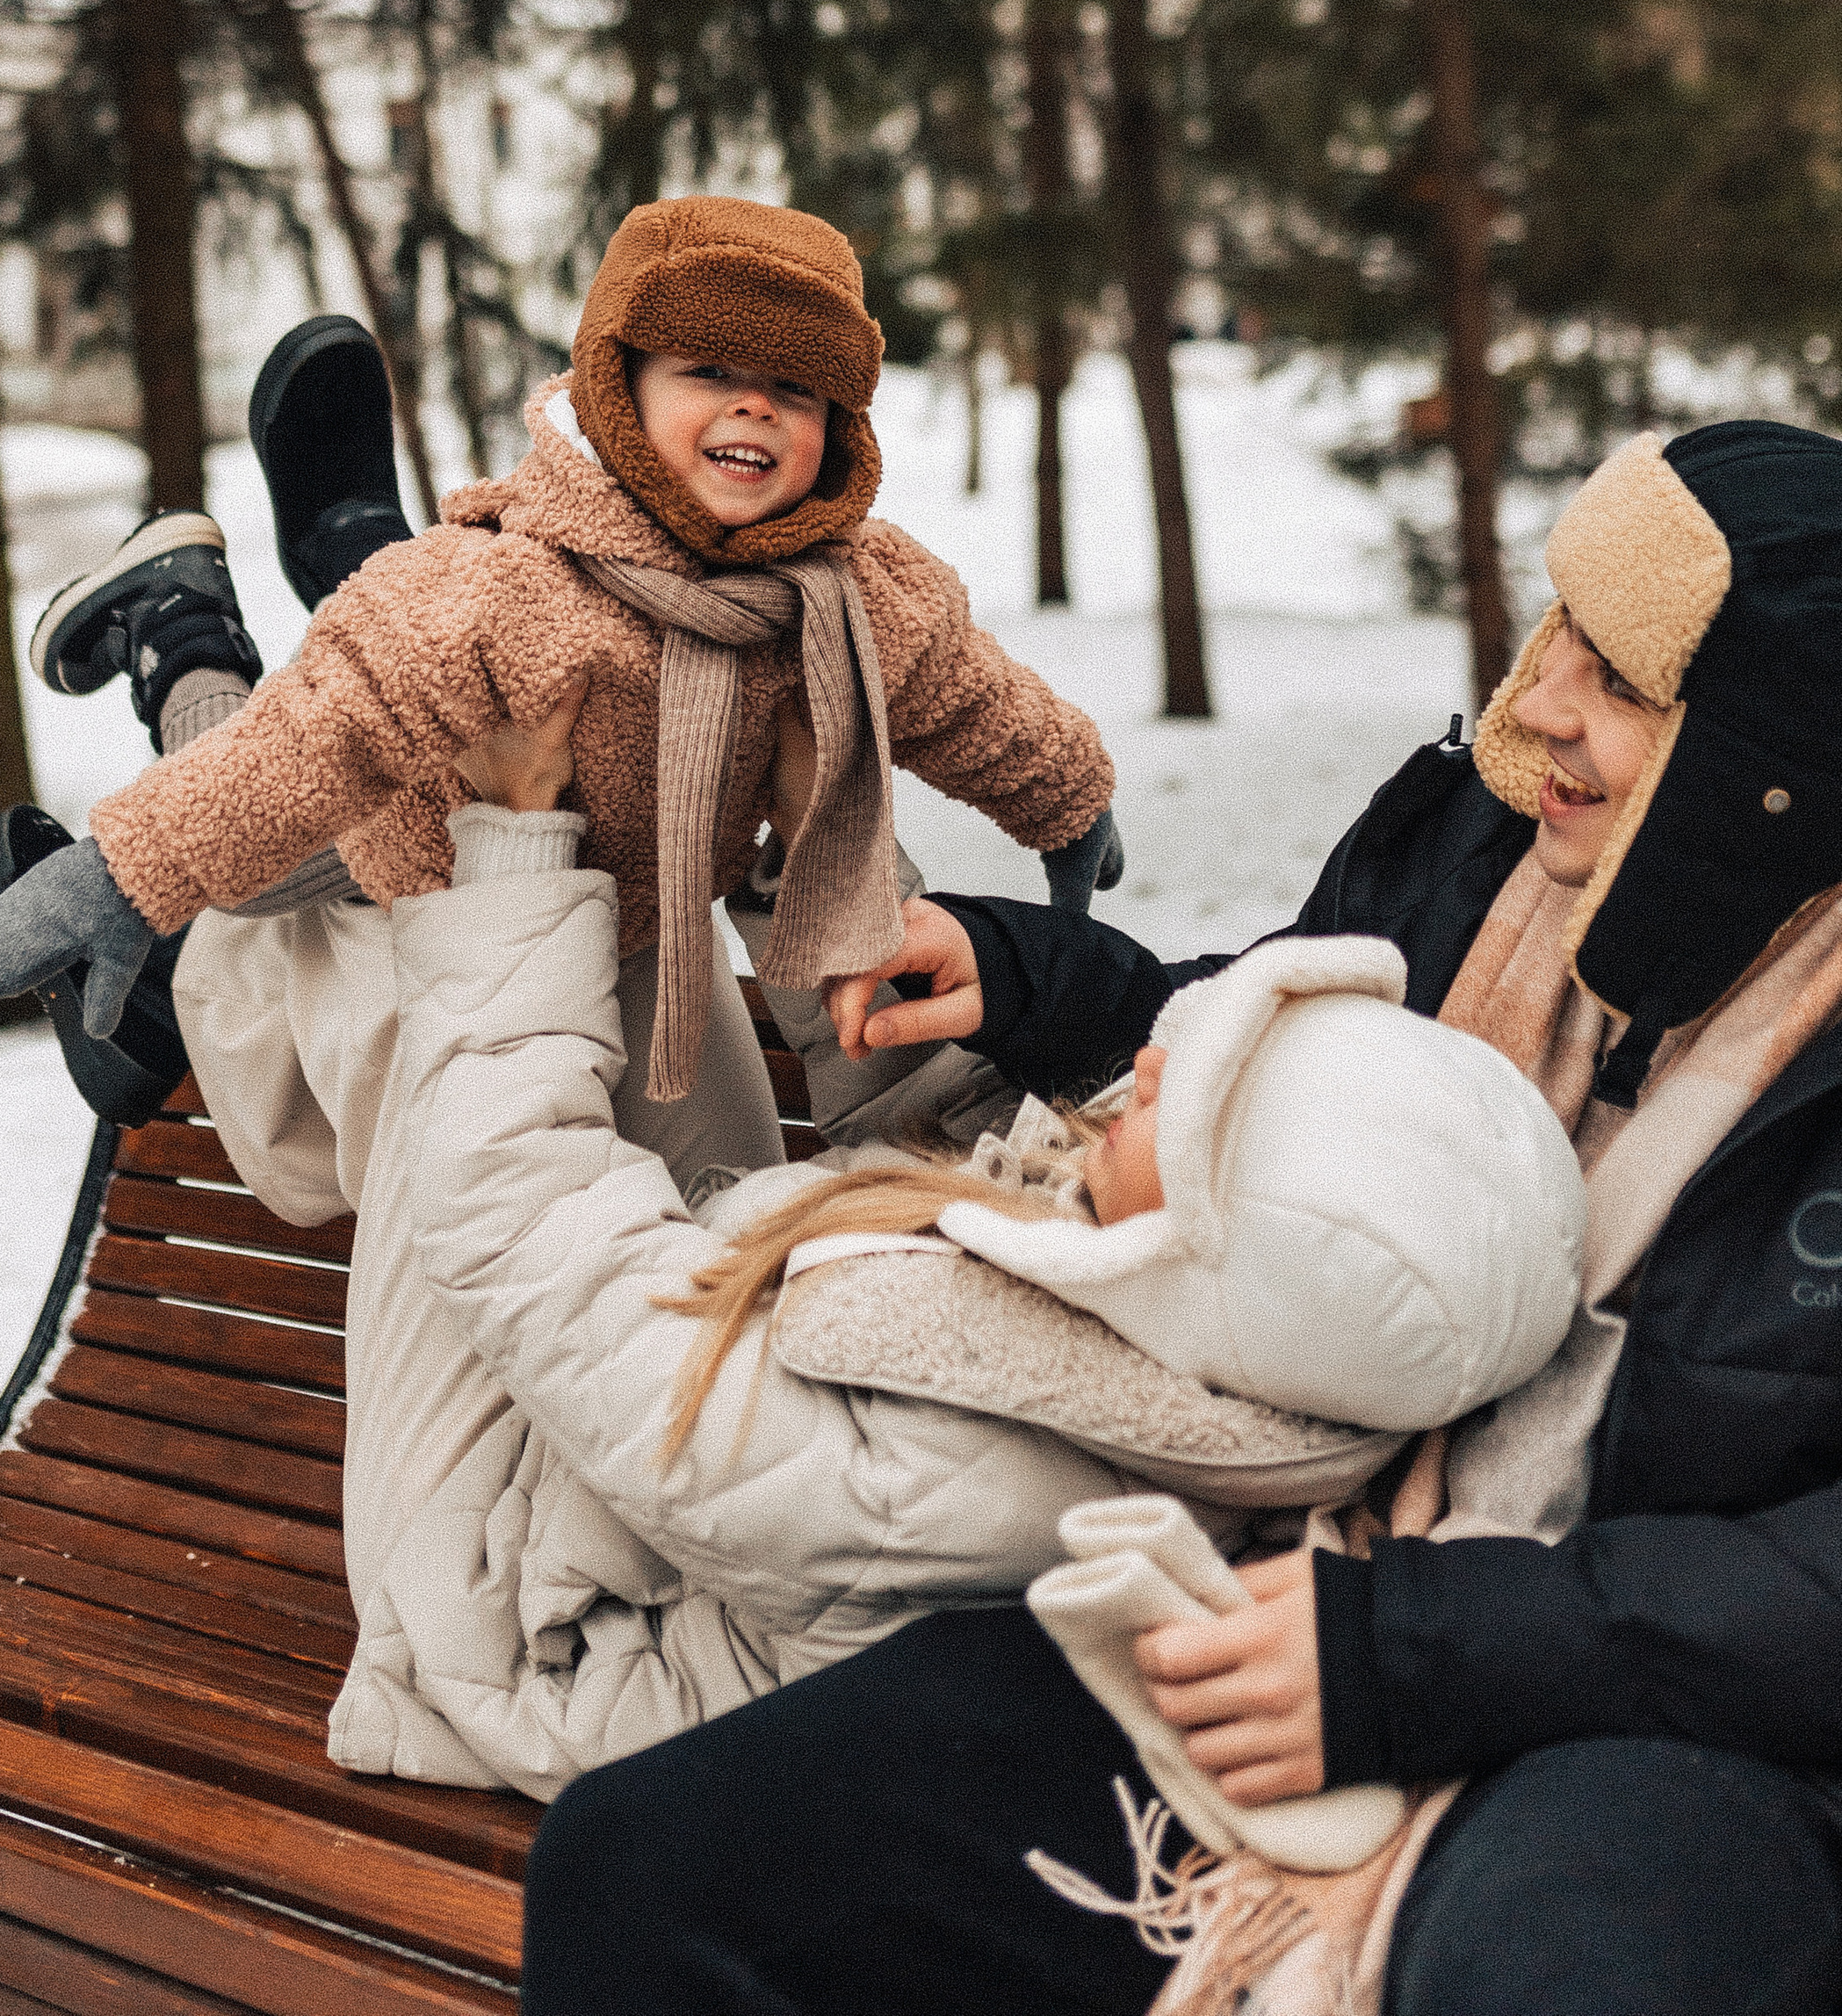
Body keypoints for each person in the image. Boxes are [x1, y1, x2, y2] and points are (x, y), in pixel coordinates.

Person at [521, 415, 1842, 2016]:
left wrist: (1406, 1656)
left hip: (1676, 1735)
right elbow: (1271, 1082)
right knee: (657, 1862)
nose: (1541, 700)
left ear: (1774, 761)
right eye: (1558, 625)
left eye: (1624, 681)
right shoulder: (1495, 847)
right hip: (1288, 1565)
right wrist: (1026, 975)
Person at [263, 689, 1577, 1803]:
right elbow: (941, 1153)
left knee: (437, 952)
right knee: (589, 938)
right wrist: (805, 858)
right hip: (622, 1471)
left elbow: (511, 1206)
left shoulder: (925, 1480)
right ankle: (223, 935)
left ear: (1193, 1246)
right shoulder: (1218, 1346)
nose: (1158, 1057)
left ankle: (205, 726)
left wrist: (513, 845)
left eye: (1197, 1099)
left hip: (495, 1609)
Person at [0, 198, 1119, 1116]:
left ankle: (352, 551)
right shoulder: (524, 596)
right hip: (422, 837)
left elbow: (975, 700)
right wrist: (131, 867)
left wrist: (1066, 799)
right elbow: (320, 735)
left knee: (379, 660)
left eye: (797, 390)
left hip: (617, 909)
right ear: (622, 392)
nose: (757, 408)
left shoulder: (858, 596)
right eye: (711, 374)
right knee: (249, 848)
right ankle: (180, 629)